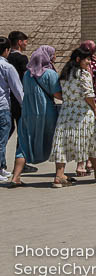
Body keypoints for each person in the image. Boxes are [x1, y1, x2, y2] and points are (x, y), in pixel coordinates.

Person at [49, 47, 96, 187]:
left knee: (62, 143)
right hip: (82, 114)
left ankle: (59, 175)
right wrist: (94, 108)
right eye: (87, 59)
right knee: (92, 141)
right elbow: (89, 95)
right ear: (78, 59)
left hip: (66, 112)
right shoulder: (83, 74)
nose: (89, 62)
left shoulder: (65, 74)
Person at [9, 45, 59, 186]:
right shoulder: (50, 74)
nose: (54, 57)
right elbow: (57, 94)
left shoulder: (27, 74)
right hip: (46, 112)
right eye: (53, 54)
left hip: (28, 112)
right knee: (55, 141)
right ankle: (59, 174)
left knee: (24, 144)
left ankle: (15, 177)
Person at [75, 41, 96, 177]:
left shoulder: (75, 65)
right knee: (91, 133)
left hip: (76, 102)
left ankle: (80, 164)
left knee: (80, 133)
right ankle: (90, 163)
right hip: (91, 100)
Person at [0, 38, 23, 182]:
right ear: (7, 50)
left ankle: (2, 168)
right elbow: (17, 90)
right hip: (2, 108)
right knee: (1, 141)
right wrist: (24, 106)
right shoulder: (7, 67)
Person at [6, 31, 29, 167]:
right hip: (19, 99)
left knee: (7, 130)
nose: (26, 44)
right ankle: (21, 164)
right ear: (20, 42)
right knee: (22, 131)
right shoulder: (22, 59)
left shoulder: (5, 58)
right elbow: (25, 80)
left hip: (7, 99)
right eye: (25, 41)